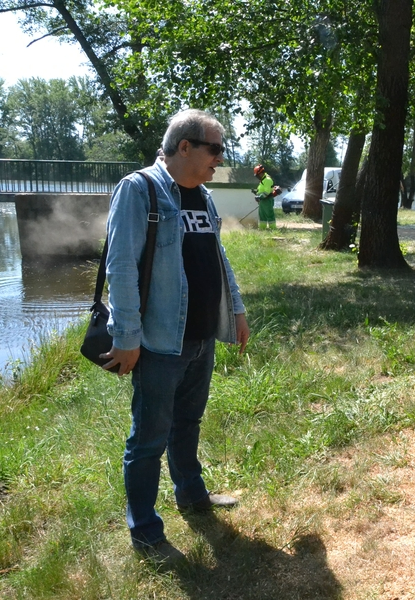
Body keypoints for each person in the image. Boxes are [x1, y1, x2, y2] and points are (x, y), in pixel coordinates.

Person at [103, 109, 251, 569]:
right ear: (185, 147)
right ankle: (145, 530)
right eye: (215, 149)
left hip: (202, 335)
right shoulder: (139, 189)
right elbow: (121, 266)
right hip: (159, 342)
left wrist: (237, 309)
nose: (220, 158)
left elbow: (216, 254)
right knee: (148, 439)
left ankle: (191, 495)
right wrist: (126, 336)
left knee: (188, 424)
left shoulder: (203, 195)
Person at [253, 164, 277, 229]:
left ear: (261, 173)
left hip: (267, 200)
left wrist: (259, 197)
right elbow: (262, 190)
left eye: (258, 175)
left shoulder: (267, 180)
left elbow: (267, 192)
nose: (257, 177)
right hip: (262, 201)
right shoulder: (263, 180)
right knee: (262, 215)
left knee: (269, 214)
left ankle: (273, 228)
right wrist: (257, 192)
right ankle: (262, 228)